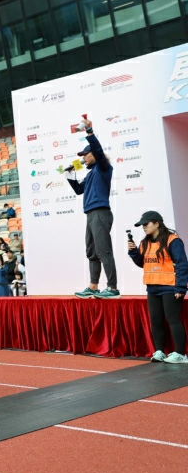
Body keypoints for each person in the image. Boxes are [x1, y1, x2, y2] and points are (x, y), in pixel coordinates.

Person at [66, 116, 119, 299]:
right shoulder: (89, 175)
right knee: (92, 252)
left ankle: (112, 289)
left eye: (84, 155)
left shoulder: (104, 168)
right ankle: (93, 287)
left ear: (94, 154)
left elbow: (97, 149)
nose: (82, 158)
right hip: (90, 214)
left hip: (100, 213)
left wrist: (89, 132)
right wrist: (69, 176)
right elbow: (79, 190)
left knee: (104, 251)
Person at [128, 211, 187, 364]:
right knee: (156, 321)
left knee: (173, 320)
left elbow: (182, 264)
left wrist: (181, 287)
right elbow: (142, 263)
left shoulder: (173, 240)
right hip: (152, 287)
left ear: (157, 224)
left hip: (170, 287)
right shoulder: (144, 242)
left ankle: (180, 354)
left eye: (146, 224)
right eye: (142, 225)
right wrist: (134, 252)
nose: (143, 227)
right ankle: (160, 351)